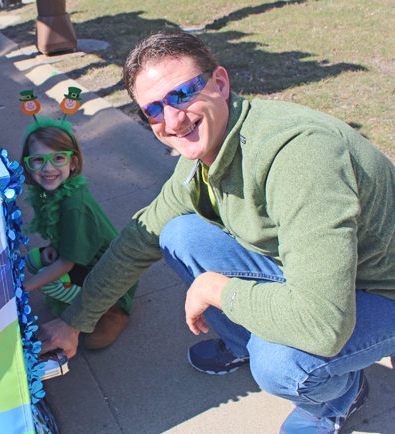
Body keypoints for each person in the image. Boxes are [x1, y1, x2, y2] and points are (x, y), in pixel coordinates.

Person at [35, 31, 395, 433]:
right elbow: (140, 240)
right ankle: (245, 343)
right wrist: (76, 320)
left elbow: (323, 324)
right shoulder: (203, 155)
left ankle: (339, 396)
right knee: (178, 235)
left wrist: (218, 290)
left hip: (378, 288)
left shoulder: (299, 157)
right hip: (317, 272)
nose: (172, 120)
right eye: (153, 109)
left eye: (183, 93)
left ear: (220, 83)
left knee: (279, 362)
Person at [20, 117, 138, 350]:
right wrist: (55, 244)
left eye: (58, 158)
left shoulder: (74, 205)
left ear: (73, 162)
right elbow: (59, 233)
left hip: (106, 274)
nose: (48, 168)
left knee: (48, 283)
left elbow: (65, 264)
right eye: (38, 160)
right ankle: (76, 296)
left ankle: (111, 311)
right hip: (80, 259)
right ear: (27, 164)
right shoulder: (46, 192)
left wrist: (23, 290)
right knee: (34, 259)